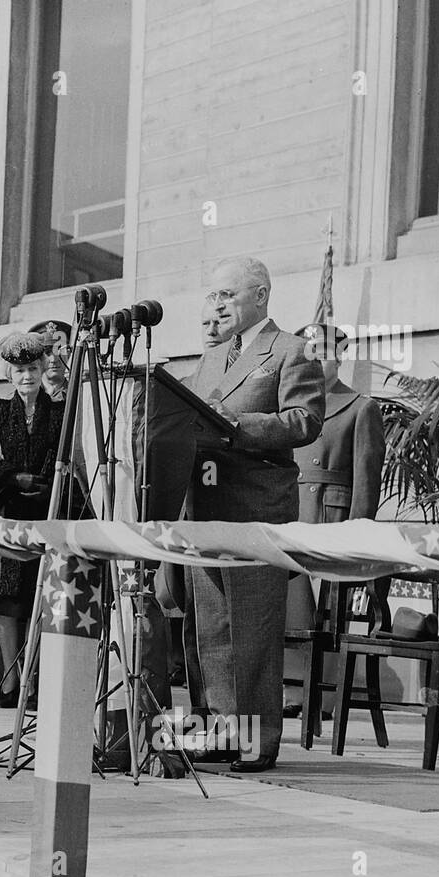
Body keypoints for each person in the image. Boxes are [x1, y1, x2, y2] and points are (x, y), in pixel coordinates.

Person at [182, 257, 324, 773]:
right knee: (214, 626)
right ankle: (221, 728)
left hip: (257, 507)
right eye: (212, 294)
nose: (216, 304)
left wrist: (236, 425)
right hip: (207, 503)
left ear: (260, 295)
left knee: (253, 626)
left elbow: (305, 420)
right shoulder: (211, 356)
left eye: (228, 294)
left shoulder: (291, 349)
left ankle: (258, 739)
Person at [282, 322, 385, 715]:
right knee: (293, 608)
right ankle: (292, 693)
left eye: (323, 352)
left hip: (332, 517)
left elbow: (366, 481)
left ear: (340, 356)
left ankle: (323, 698)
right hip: (293, 515)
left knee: (329, 614)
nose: (315, 359)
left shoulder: (361, 407)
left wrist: (357, 537)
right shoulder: (291, 407)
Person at [0, 332, 62, 707]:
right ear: (10, 374)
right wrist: (11, 478)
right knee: (8, 601)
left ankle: (34, 680)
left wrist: (49, 484)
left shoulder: (59, 411)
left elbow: (70, 456)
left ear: (42, 370)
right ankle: (11, 681)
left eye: (33, 368)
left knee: (39, 598)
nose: (27, 376)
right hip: (6, 513)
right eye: (20, 370)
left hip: (45, 513)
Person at [35, 320, 72, 403]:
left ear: (69, 354)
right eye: (47, 352)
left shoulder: (80, 393)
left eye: (60, 351)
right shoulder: (26, 394)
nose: (53, 359)